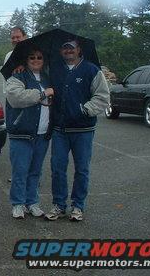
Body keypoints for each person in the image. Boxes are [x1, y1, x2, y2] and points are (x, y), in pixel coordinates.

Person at [45, 38, 109, 222]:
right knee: (57, 169)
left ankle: (78, 206)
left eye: (71, 48)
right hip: (60, 129)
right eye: (64, 48)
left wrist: (84, 110)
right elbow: (36, 74)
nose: (68, 51)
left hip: (83, 130)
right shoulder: (54, 69)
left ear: (79, 50)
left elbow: (102, 97)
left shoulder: (91, 70)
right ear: (60, 51)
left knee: (82, 169)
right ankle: (58, 205)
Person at [5, 47, 54, 219]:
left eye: (39, 57)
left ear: (44, 59)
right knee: (20, 170)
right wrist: (42, 94)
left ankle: (32, 202)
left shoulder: (49, 78)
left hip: (42, 133)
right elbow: (16, 98)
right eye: (31, 57)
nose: (35, 60)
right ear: (26, 60)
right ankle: (18, 204)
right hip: (22, 133)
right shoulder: (17, 76)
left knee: (35, 171)